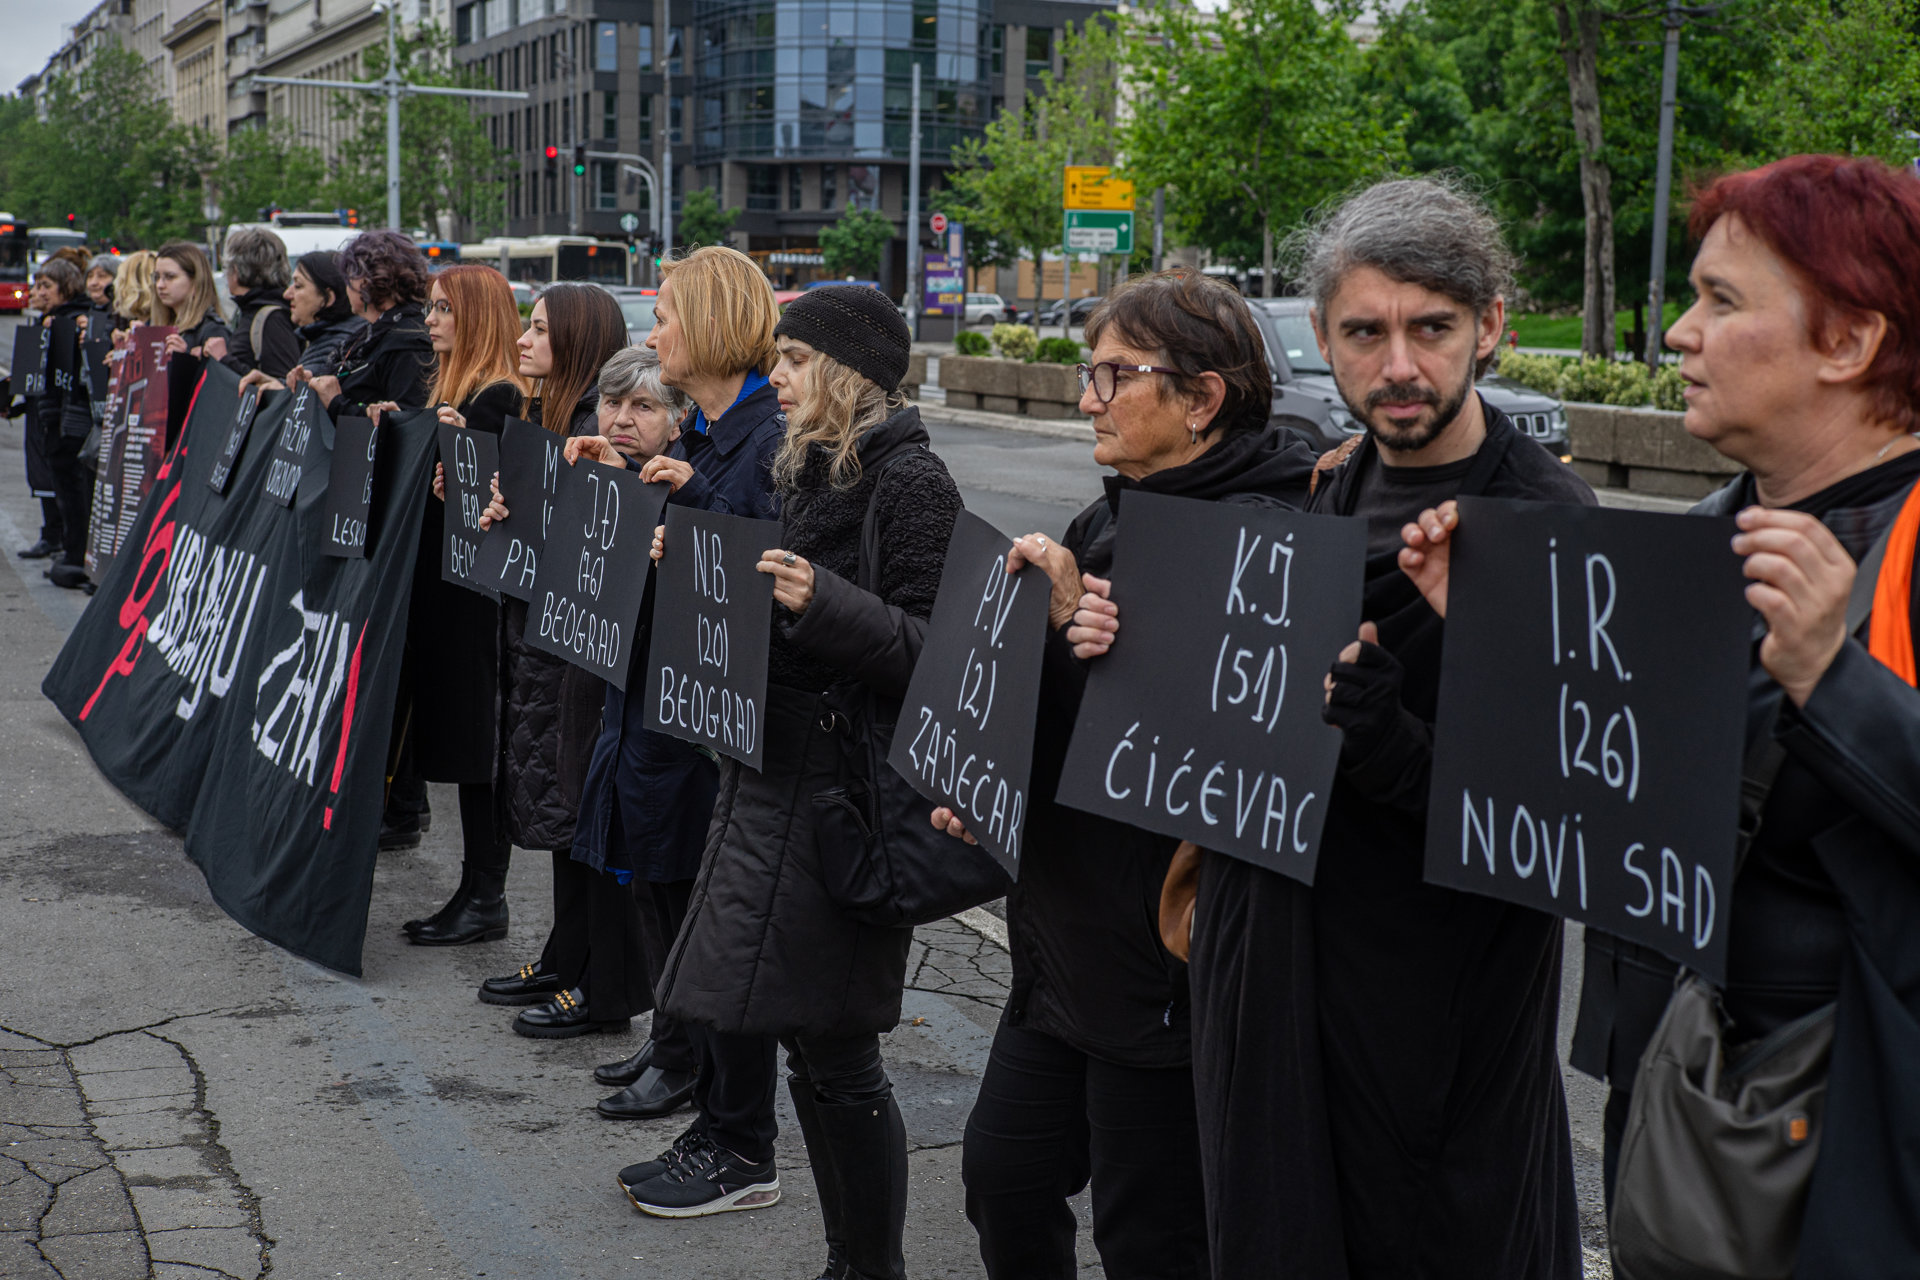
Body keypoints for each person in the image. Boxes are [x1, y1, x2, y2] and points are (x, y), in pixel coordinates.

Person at [1507, 154, 1920, 1272]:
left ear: (1849, 341)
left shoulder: (1908, 539)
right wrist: (1493, 636)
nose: (1678, 333)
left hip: (1851, 1138)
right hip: (1682, 1101)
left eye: (1721, 301)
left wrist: (1836, 678)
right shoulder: (1709, 527)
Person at [1206, 176, 1589, 1280]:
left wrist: (1395, 747)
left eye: (1433, 328)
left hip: (1441, 1003)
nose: (1400, 365)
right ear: (1322, 336)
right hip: (1295, 973)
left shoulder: (1545, 524)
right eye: (1366, 332)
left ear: (1492, 327)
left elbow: (1558, 827)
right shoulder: (1333, 487)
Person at [930, 268, 1310, 1280]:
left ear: (1201, 398)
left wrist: (1075, 632)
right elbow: (1066, 719)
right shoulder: (1112, 518)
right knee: (1003, 1176)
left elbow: (1206, 749)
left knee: (1152, 1238)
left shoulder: (1273, 543)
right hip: (1061, 952)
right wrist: (989, 779)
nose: (1087, 397)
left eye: (1111, 375)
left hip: (1163, 979)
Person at [638, 287, 963, 1280]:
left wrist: (821, 602)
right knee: (810, 1043)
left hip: (848, 803)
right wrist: (696, 548)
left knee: (837, 1046)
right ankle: (852, 1258)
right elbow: (780, 602)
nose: (774, 375)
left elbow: (936, 656)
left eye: (791, 358)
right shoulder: (812, 464)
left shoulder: (912, 481)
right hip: (784, 783)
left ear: (846, 369)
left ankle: (869, 1263)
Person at [588, 245, 786, 1210]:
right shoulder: (716, 434)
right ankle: (712, 1105)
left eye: (666, 316)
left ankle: (739, 1141)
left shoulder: (759, 441)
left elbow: (758, 571)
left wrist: (689, 507)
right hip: (695, 716)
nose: (654, 332)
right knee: (691, 918)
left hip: (736, 741)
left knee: (724, 938)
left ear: (705, 325)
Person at [517, 348, 707, 1118]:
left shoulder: (688, 483)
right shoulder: (611, 478)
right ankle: (671, 1037)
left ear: (679, 420)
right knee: (636, 874)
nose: (622, 421)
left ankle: (686, 1051)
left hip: (671, 716)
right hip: (620, 702)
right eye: (612, 404)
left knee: (670, 882)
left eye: (644, 409)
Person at [430, 284, 628, 975]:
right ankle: (565, 958)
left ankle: (580, 968)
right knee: (557, 802)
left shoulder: (590, 424)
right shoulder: (544, 412)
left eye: (540, 329)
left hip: (566, 646)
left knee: (573, 806)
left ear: (573, 340)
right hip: (538, 634)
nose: (524, 340)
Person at [363, 264, 526, 937]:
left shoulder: (499, 397)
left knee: (479, 753)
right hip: (451, 599)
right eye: (429, 309)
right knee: (466, 753)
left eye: (441, 311)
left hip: (477, 607)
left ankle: (484, 899)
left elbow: (494, 499)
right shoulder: (461, 389)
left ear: (477, 317)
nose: (429, 322)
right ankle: (476, 894)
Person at [287, 229, 433, 422]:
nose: (346, 286)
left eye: (348, 278)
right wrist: (313, 383)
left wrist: (335, 403)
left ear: (364, 282)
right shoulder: (375, 332)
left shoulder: (407, 343)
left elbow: (407, 425)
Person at [27, 258, 98, 591]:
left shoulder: (75, 321)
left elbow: (66, 376)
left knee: (74, 492)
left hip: (69, 421)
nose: (40, 292)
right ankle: (68, 548)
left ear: (65, 287)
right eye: (38, 286)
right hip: (53, 416)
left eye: (46, 286)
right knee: (63, 490)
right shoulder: (50, 321)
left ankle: (75, 553)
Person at [218, 227, 300, 380]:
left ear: (235, 271)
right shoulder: (255, 311)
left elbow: (282, 385)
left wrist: (223, 358)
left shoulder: (271, 318)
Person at [284, 250, 365, 377]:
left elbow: (304, 386)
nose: (287, 294)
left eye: (298, 286)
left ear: (327, 297)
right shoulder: (329, 337)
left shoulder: (337, 346)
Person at [152, 242, 230, 359]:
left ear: (195, 281)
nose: (160, 285)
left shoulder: (212, 331)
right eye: (156, 277)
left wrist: (185, 358)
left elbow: (219, 375)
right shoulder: (167, 326)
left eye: (170, 277)